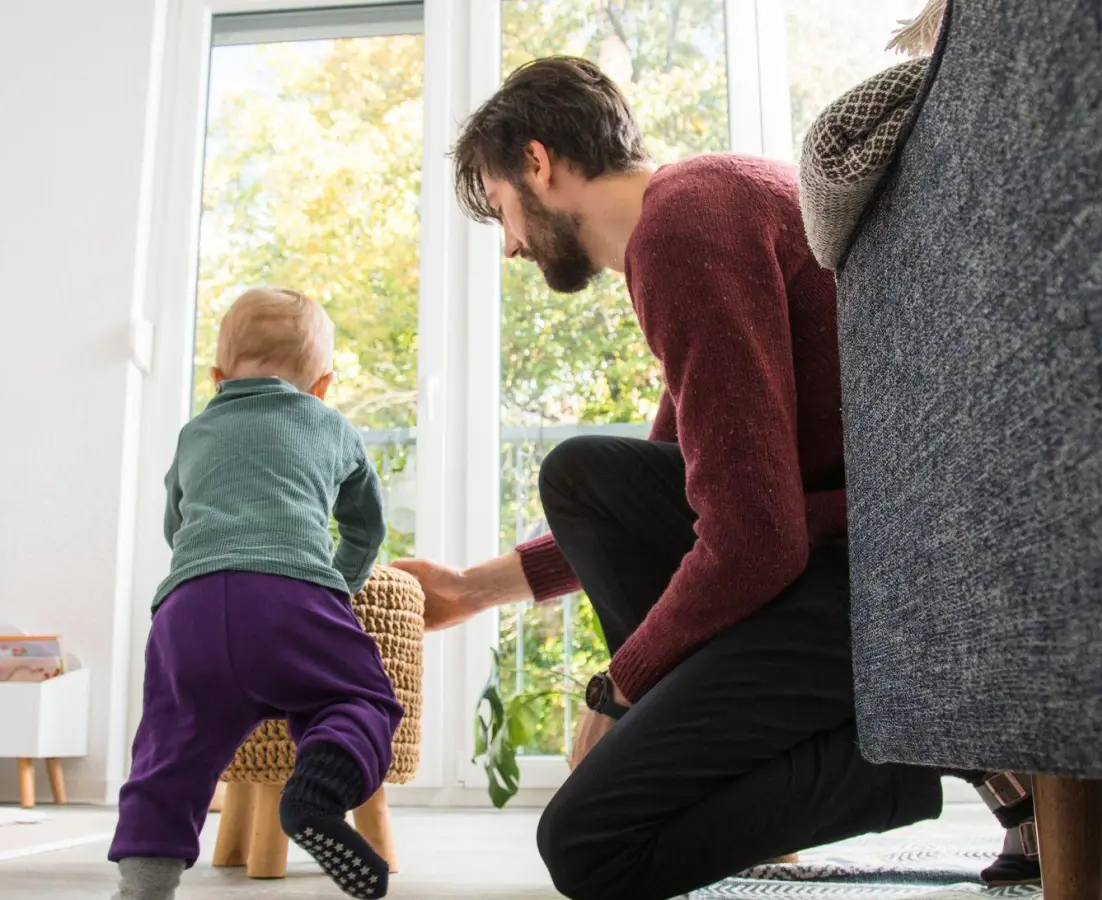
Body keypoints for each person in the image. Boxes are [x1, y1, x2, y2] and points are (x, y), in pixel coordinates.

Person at [394, 56, 950, 900]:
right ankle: (849, 764)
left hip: (873, 580)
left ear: (538, 164)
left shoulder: (687, 230)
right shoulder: (700, 205)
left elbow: (754, 542)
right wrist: (473, 590)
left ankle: (904, 763)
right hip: (857, 556)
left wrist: (618, 688)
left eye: (501, 209)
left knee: (588, 846)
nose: (508, 244)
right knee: (586, 478)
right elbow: (675, 491)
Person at [110, 288, 400, 900]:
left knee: (169, 750)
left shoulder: (195, 432)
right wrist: (338, 585)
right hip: (291, 601)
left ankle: (142, 887)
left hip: (187, 613)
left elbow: (176, 526)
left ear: (217, 378)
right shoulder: (330, 424)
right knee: (358, 697)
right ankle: (319, 786)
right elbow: (366, 526)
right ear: (322, 385)